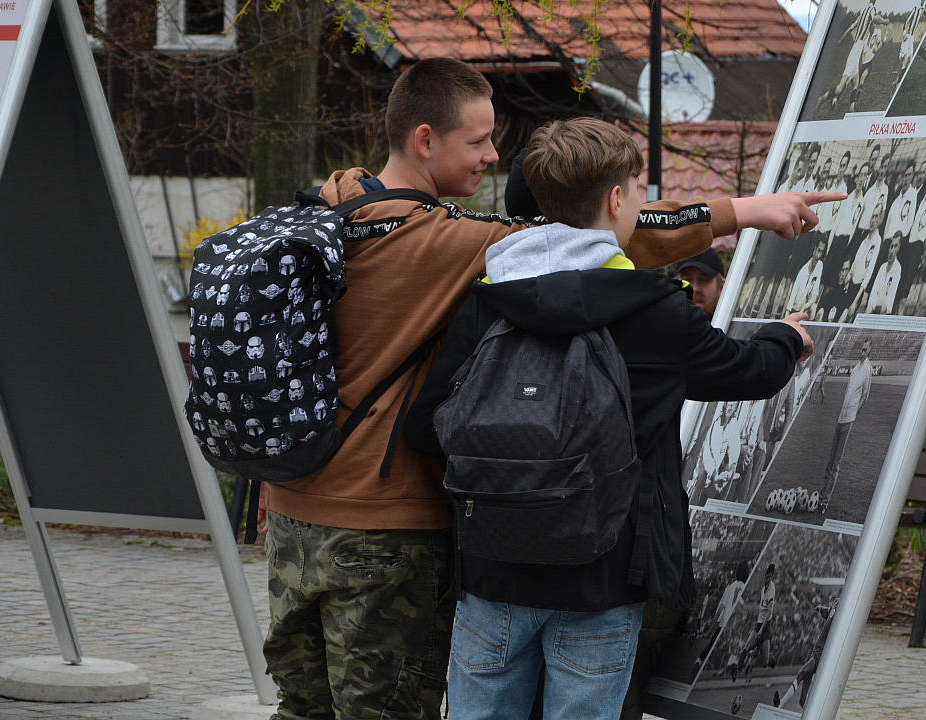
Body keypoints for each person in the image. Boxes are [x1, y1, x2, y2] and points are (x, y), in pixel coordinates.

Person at [263, 57, 840, 720]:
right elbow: (588, 237)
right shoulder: (460, 243)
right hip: (399, 527)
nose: (491, 154)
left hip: (299, 510)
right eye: (478, 140)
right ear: (426, 139)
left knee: (302, 708)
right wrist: (742, 211)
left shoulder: (331, 213)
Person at [406, 117, 816, 720]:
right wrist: (787, 335)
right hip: (603, 576)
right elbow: (747, 371)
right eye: (637, 190)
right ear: (618, 198)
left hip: (491, 574)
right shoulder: (656, 310)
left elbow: (427, 426)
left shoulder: (487, 298)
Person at [820, 340, 873, 511]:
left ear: (870, 351)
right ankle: (821, 495)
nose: (861, 352)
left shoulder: (867, 370)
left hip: (848, 419)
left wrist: (854, 414)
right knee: (829, 461)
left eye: (865, 350)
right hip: (840, 417)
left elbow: (865, 395)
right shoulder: (856, 368)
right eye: (861, 349)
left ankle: (825, 501)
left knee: (836, 463)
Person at [675, 248, 727, 318]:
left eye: (703, 280)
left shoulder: (735, 326)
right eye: (687, 280)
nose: (695, 289)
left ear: (722, 287)